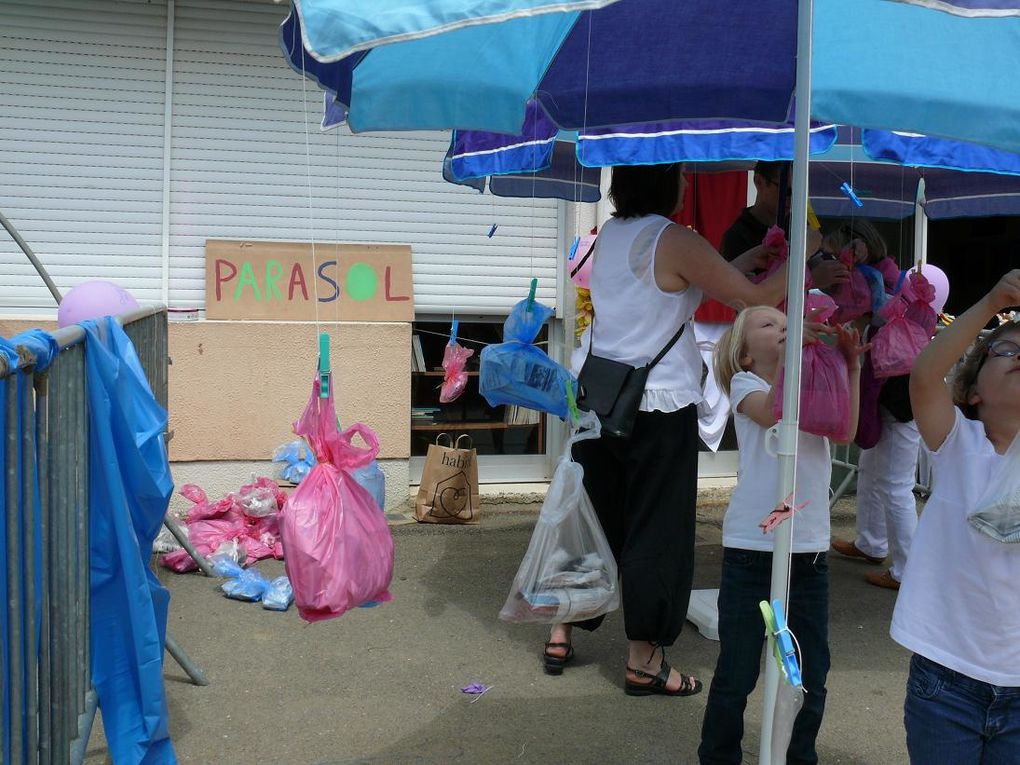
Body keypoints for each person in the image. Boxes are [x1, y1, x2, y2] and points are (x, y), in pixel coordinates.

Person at [545, 163, 792, 696]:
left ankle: (561, 628)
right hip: (660, 404)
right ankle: (645, 660)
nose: (686, 184)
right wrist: (805, 247)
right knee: (658, 530)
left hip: (604, 397)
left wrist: (747, 263)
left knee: (596, 517)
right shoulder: (675, 238)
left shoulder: (611, 234)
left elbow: (688, 281)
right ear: (663, 181)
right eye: (680, 174)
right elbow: (754, 298)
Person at [698, 306, 865, 765]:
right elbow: (776, 410)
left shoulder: (813, 391)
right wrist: (800, 355)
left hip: (808, 551)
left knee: (812, 670)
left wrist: (848, 365)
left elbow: (847, 428)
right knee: (737, 671)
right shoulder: (746, 386)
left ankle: (798, 756)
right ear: (745, 355)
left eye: (788, 325)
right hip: (752, 551)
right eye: (770, 326)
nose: (785, 331)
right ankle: (718, 756)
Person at [895, 269, 1020, 764]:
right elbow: (925, 375)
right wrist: (992, 300)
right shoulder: (958, 445)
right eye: (1006, 351)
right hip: (945, 681)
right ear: (973, 393)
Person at [826, 219, 922, 590]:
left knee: (896, 484)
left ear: (858, 247)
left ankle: (906, 569)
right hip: (887, 396)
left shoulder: (885, 282)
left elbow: (858, 314)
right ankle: (870, 542)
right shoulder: (889, 277)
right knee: (871, 469)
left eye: (841, 252)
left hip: (899, 399)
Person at [719, 161, 847, 292]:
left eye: (799, 193)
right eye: (787, 191)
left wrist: (848, 255)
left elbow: (820, 263)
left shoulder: (796, 223)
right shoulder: (737, 237)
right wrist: (811, 280)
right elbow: (749, 298)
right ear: (759, 182)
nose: (793, 200)